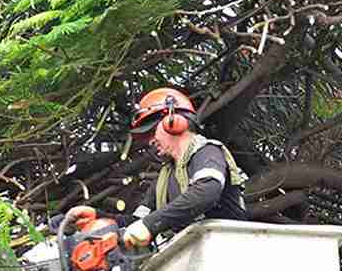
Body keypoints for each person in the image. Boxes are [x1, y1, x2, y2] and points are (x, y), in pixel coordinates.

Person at [68, 87, 248, 249]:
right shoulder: (164, 178)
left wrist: (149, 224)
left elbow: (206, 191)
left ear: (174, 122)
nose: (150, 141)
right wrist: (97, 216)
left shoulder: (208, 152)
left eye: (152, 131)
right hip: (197, 254)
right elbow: (137, 222)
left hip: (230, 248)